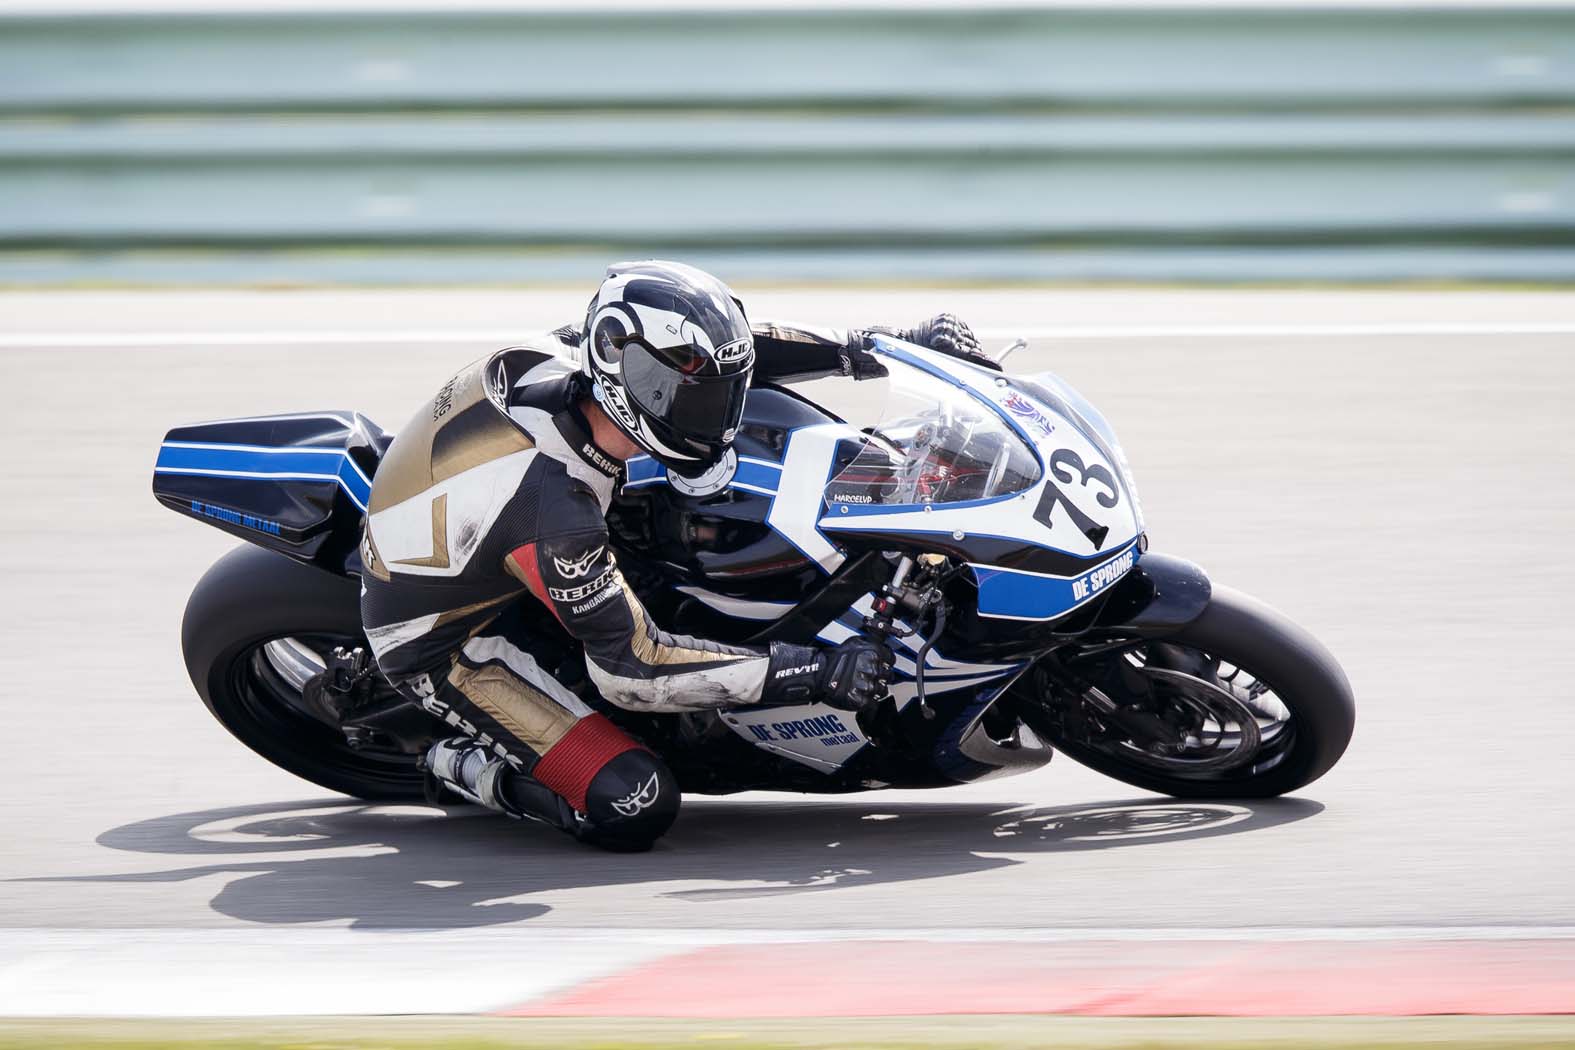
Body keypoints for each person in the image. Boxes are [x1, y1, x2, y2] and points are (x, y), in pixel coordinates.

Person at [354, 260, 990, 851]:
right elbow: (634, 671)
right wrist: (812, 671)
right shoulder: (556, 514)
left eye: (720, 391)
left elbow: (725, 354)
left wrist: (872, 346)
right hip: (450, 644)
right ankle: (454, 763)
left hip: (485, 537)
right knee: (635, 803)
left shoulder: (595, 358)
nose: (719, 414)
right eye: (695, 397)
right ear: (621, 375)